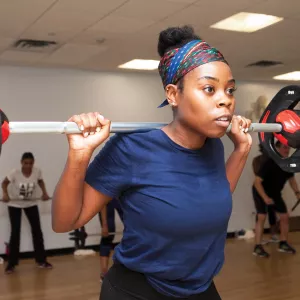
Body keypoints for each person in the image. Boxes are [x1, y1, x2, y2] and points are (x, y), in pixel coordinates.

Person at [52, 25, 252, 300]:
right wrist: (79, 153)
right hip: (138, 290)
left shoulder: (214, 147)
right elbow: (65, 222)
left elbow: (211, 198)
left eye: (230, 91)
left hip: (200, 288)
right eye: (209, 89)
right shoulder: (132, 148)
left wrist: (241, 149)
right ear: (173, 94)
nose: (225, 101)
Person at [2, 152, 53, 274]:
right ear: (21, 163)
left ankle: (41, 260)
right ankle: (11, 264)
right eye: (26, 163)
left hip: (31, 203)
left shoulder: (37, 171)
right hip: (14, 204)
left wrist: (44, 193)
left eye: (30, 163)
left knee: (37, 231)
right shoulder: (15, 172)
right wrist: (5, 194)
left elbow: (40, 181)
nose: (28, 166)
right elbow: (4, 183)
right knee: (15, 232)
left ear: (33, 163)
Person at [252, 141, 300, 257]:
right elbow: (257, 182)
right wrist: (265, 198)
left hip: (275, 194)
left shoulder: (288, 164)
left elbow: (291, 180)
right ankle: (257, 247)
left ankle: (283, 243)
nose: (287, 150)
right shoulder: (269, 162)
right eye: (284, 147)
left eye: (288, 148)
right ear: (277, 149)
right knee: (262, 216)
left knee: (284, 217)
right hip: (260, 192)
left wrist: (297, 193)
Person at [252, 144, 279, 244]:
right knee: (261, 213)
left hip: (271, 189)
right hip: (260, 189)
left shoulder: (273, 160)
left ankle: (273, 235)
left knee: (272, 212)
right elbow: (257, 174)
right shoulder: (257, 160)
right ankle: (260, 237)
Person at [98, 198, 123, 282]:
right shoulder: (105, 187)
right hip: (107, 201)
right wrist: (104, 225)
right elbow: (102, 203)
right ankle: (104, 272)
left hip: (121, 198)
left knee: (134, 231)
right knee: (107, 236)